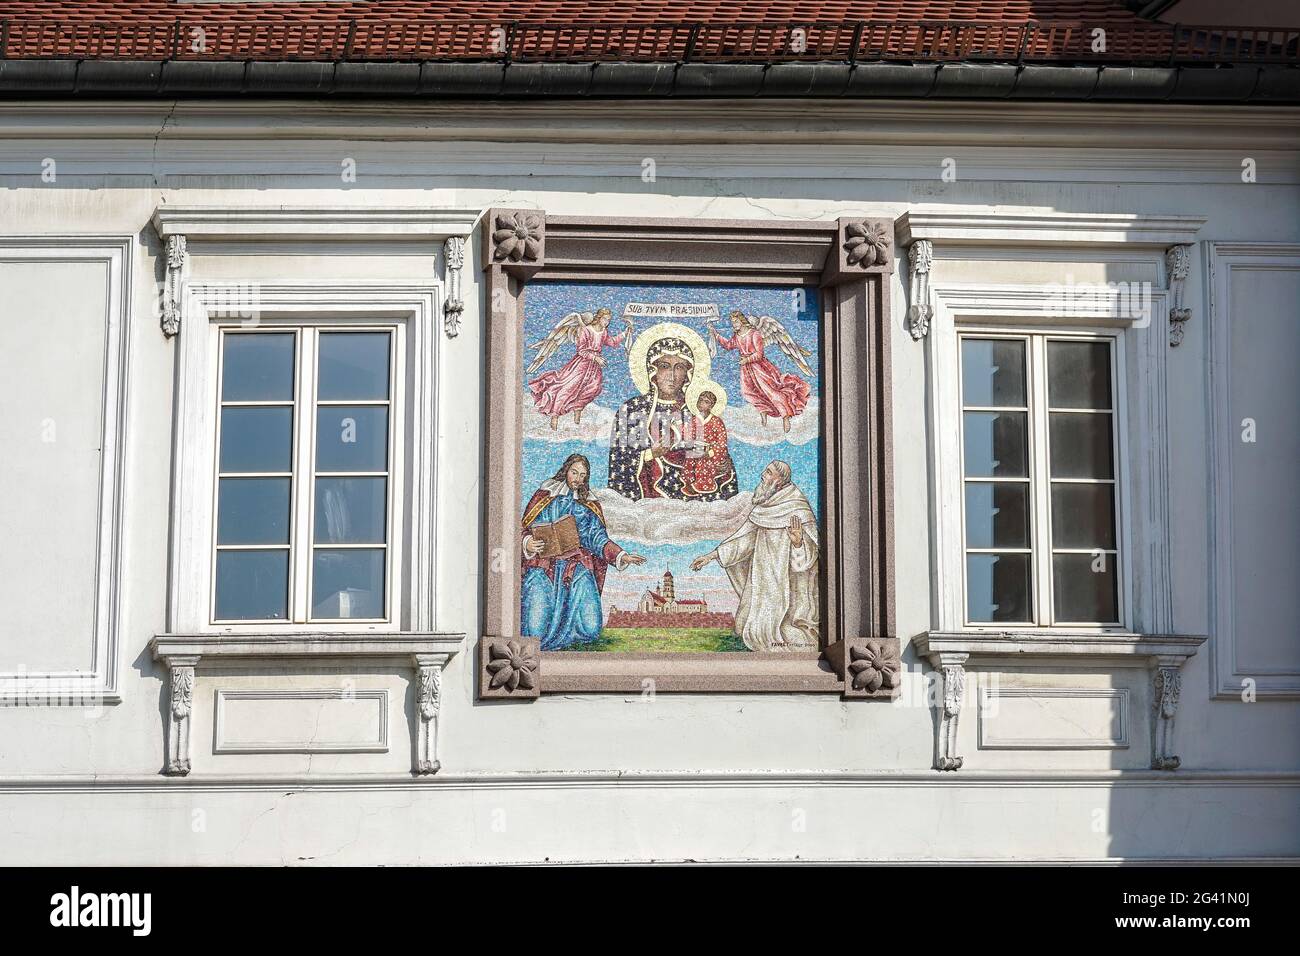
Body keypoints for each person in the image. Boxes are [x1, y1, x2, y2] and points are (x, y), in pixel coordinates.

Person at [690, 461, 818, 650]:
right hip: (761, 574)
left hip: (784, 581)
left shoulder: (797, 508)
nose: (762, 475)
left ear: (779, 481)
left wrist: (798, 542)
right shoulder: (764, 506)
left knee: (779, 633)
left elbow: (809, 560)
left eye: (768, 472)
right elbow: (742, 541)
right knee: (747, 629)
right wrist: (711, 556)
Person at [521, 454, 644, 649]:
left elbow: (596, 537)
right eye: (574, 473)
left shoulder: (587, 504)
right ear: (566, 471)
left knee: (591, 627)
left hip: (576, 566)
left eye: (583, 476)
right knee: (535, 630)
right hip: (543, 566)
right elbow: (522, 528)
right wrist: (527, 543)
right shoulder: (544, 496)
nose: (578, 479)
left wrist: (620, 555)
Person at [608, 334, 739, 501]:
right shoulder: (633, 410)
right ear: (652, 370)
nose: (672, 375)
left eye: (679, 367)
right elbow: (620, 465)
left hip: (691, 501)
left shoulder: (696, 410)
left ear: (688, 373)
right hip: (647, 505)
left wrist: (723, 466)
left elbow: (718, 450)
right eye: (664, 366)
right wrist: (650, 454)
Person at [710, 310, 811, 433]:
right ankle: (763, 411)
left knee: (770, 391)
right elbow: (728, 345)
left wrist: (747, 359)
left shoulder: (754, 334)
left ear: (742, 321)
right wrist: (715, 334)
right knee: (748, 392)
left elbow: (759, 354)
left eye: (736, 322)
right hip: (746, 369)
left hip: (760, 367)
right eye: (732, 322)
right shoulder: (737, 336)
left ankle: (786, 415)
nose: (734, 324)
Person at [526, 308, 627, 429]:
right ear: (599, 318)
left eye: (608, 320)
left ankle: (577, 416)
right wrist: (595, 357)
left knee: (592, 388)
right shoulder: (586, 330)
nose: (606, 322)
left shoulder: (604, 331)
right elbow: (581, 350)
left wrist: (624, 334)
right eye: (605, 319)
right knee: (567, 388)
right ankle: (554, 418)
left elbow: (611, 342)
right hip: (581, 364)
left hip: (594, 368)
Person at [681, 390, 736, 498]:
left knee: (704, 463)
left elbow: (721, 443)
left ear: (711, 406)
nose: (701, 403)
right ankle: (688, 483)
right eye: (700, 400)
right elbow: (684, 435)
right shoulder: (692, 420)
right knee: (689, 459)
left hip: (711, 453)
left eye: (706, 401)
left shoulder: (717, 422)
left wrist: (709, 453)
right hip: (695, 450)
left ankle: (702, 485)